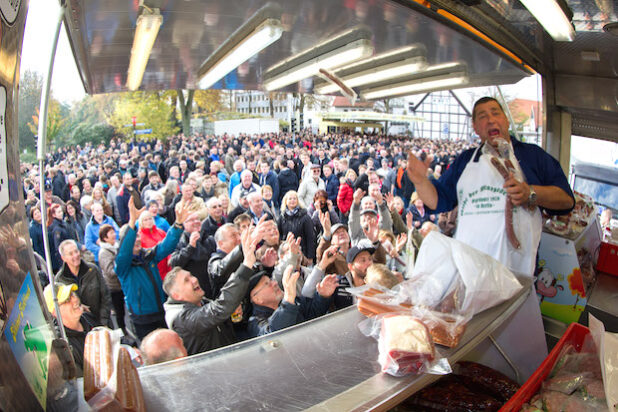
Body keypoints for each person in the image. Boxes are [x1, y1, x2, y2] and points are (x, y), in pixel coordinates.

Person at [406, 96, 575, 380]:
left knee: (514, 366)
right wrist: (421, 181)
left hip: (515, 279)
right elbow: (439, 201)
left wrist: (531, 193)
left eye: (495, 113)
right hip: (469, 283)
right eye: (482, 116)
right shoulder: (464, 161)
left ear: (506, 120)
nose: (490, 119)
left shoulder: (532, 157)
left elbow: (565, 199)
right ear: (475, 127)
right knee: (469, 364)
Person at [163, 228, 258, 355]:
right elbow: (219, 309)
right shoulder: (182, 319)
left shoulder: (200, 301)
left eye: (191, 275)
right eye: (186, 280)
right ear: (176, 295)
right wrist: (246, 266)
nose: (194, 280)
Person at [115, 197, 190, 341]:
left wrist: (178, 224)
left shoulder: (148, 255)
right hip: (143, 318)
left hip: (161, 310)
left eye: (137, 236)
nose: (136, 239)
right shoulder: (122, 265)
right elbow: (124, 252)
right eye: (132, 237)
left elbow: (166, 246)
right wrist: (132, 222)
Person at [246, 265, 338, 337]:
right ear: (257, 298)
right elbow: (271, 336)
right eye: (267, 284)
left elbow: (313, 313)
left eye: (271, 280)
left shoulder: (292, 301)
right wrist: (288, 300)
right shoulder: (255, 322)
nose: (274, 283)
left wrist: (323, 296)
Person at [43, 283, 99, 377]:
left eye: (73, 294)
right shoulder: (62, 346)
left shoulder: (87, 318)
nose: (75, 299)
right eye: (67, 300)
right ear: (54, 312)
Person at [55, 239, 112, 327]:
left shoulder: (92, 270)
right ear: (63, 258)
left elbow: (105, 295)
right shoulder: (60, 279)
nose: (75, 255)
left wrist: (103, 322)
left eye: (76, 251)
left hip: (102, 322)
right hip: (81, 329)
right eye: (71, 254)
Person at [98, 224, 126, 333]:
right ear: (105, 238)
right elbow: (110, 272)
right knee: (119, 312)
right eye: (111, 233)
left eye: (114, 232)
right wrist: (121, 266)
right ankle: (122, 331)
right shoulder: (104, 253)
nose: (114, 234)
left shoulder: (116, 246)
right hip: (114, 287)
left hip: (122, 283)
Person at [278, 191, 316, 264]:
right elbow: (279, 236)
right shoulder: (281, 218)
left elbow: (310, 237)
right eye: (290, 199)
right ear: (286, 201)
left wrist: (310, 257)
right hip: (286, 254)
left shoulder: (305, 217)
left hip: (302, 254)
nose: (292, 200)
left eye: (294, 198)